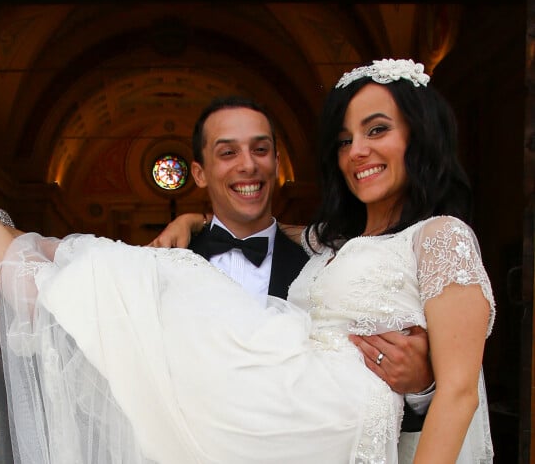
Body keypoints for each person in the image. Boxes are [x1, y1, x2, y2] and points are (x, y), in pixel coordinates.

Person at [0, 58, 494, 463]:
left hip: (325, 426)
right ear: (200, 172)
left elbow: (458, 392)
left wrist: (423, 381)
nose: (356, 150)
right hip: (249, 416)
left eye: (377, 130)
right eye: (345, 138)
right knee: (128, 274)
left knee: (133, 276)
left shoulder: (442, 236)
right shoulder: (332, 243)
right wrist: (191, 224)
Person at [151, 96, 435, 433]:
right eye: (228, 153)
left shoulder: (325, 270)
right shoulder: (162, 265)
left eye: (260, 149)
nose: (248, 165)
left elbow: (373, 394)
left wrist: (421, 387)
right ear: (199, 173)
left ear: (276, 161)